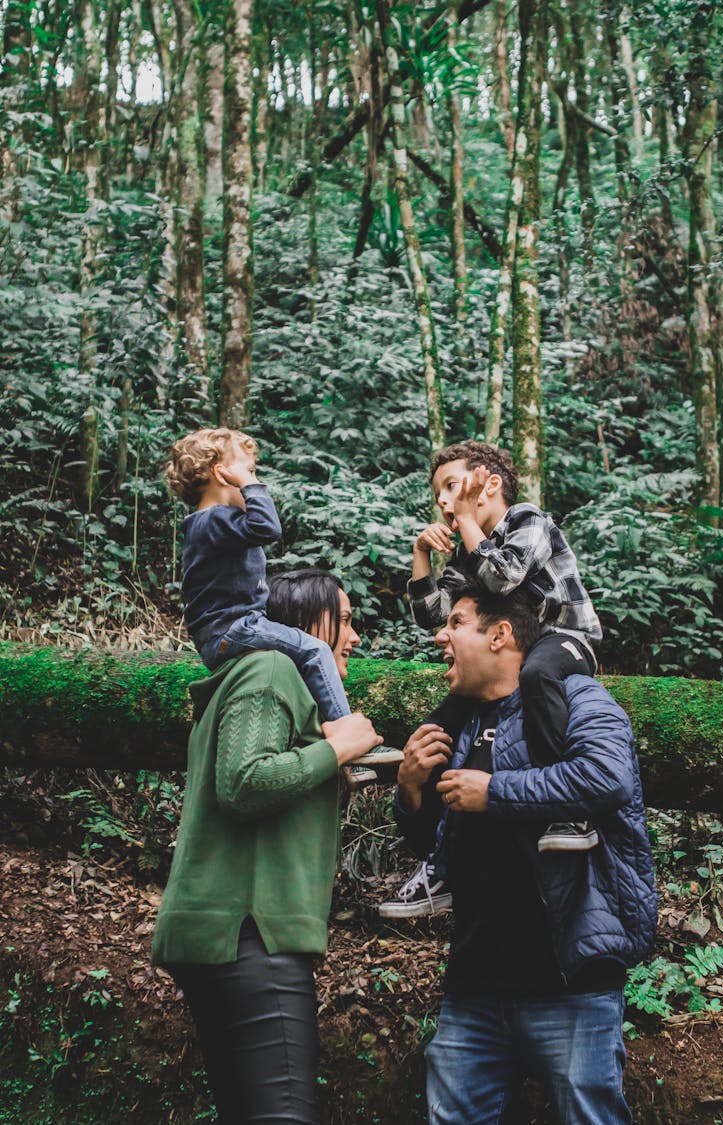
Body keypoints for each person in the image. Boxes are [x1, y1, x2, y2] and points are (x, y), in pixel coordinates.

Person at [394, 583, 657, 1125]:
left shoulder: (579, 699)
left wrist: (494, 793)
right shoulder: (458, 723)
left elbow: (606, 778)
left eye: (458, 622)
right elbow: (436, 844)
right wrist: (411, 788)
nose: (442, 635)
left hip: (570, 980)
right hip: (474, 981)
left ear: (500, 635)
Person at [151, 568, 382, 1125]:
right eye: (344, 621)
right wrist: (338, 750)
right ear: (303, 624)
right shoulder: (273, 668)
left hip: (230, 937)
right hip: (250, 936)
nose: (353, 637)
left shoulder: (258, 677)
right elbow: (244, 782)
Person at [379, 440, 603, 918]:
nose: (443, 501)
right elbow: (432, 613)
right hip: (513, 656)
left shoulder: (528, 521)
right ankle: (439, 867)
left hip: (565, 640)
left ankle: (570, 811)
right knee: (442, 723)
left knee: (541, 673)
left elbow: (503, 579)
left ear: (491, 485)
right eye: (438, 493)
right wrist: (422, 552)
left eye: (453, 487)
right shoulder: (467, 551)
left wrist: (463, 520)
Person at [165, 428, 389, 783]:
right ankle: (350, 740)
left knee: (301, 655)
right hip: (233, 629)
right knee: (316, 649)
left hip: (231, 630)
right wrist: (249, 486)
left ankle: (336, 749)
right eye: (250, 471)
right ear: (222, 474)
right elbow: (268, 527)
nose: (256, 481)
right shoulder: (212, 521)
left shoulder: (216, 525)